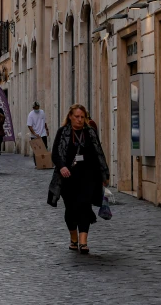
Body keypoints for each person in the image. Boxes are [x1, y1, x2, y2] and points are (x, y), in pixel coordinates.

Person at [48, 103, 110, 255]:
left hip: (88, 176)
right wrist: (62, 166)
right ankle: (73, 239)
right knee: (71, 208)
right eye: (77, 117)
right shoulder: (63, 132)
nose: (80, 120)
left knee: (84, 207)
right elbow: (55, 153)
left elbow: (99, 153)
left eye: (83, 117)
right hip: (68, 178)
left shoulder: (90, 132)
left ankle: (83, 242)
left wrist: (104, 174)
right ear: (70, 117)